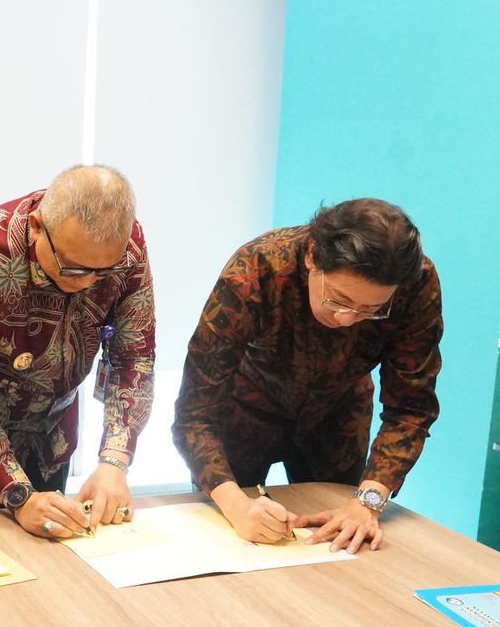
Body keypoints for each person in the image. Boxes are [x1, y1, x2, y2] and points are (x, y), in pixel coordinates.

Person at [172, 198, 443, 554]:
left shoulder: (416, 283)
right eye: (339, 300)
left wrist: (368, 502)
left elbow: (410, 408)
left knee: (339, 545)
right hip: (244, 410)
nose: (347, 319)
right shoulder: (257, 268)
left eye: (371, 310)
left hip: (338, 413)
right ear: (313, 256)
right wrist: (236, 507)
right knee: (232, 540)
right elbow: (195, 413)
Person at [0, 165, 156, 539]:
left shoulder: (124, 246)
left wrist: (114, 462)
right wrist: (19, 496)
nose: (88, 283)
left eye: (102, 272)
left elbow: (134, 358)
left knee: (50, 546)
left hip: (48, 432)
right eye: (73, 268)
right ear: (37, 226)